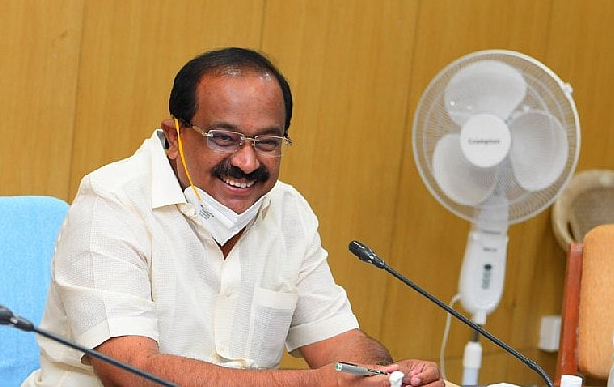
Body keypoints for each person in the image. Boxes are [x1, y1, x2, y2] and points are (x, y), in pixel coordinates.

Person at [23, 47, 443, 387]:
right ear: (174, 137)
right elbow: (132, 372)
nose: (246, 162)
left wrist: (383, 376)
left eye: (267, 142)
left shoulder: (288, 211)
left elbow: (337, 340)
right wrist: (314, 384)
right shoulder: (111, 202)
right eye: (223, 138)